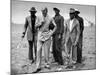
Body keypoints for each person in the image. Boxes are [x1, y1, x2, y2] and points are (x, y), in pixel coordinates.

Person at [33, 7, 56, 73]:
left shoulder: (50, 17)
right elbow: (35, 26)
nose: (43, 12)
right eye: (42, 11)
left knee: (47, 51)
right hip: (40, 34)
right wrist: (40, 23)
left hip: (47, 34)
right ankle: (38, 66)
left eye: (44, 11)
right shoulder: (38, 17)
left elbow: (55, 26)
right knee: (38, 51)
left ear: (47, 11)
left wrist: (51, 33)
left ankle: (47, 64)